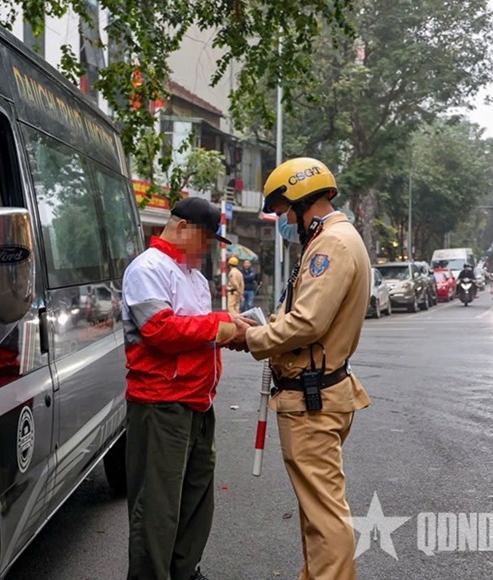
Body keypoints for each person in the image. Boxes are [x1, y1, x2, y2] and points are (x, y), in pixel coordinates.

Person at [230, 157, 371, 580]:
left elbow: (308, 322)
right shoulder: (336, 239)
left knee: (324, 514)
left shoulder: (331, 244)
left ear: (300, 202)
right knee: (317, 509)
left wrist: (250, 338)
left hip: (312, 399)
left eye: (281, 212)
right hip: (320, 390)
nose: (281, 222)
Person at [122, 196, 253, 580]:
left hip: (197, 402)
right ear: (181, 228)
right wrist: (220, 326)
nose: (208, 248)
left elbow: (201, 335)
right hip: (161, 404)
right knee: (157, 508)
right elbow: (159, 330)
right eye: (206, 239)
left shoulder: (193, 278)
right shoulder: (147, 269)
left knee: (196, 500)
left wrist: (234, 328)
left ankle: (183, 571)